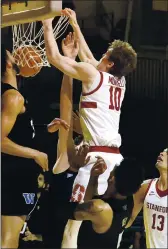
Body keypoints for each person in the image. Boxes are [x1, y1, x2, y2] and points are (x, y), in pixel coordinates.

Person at [1, 44, 69, 249]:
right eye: (11, 54)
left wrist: (44, 129)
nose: (17, 54)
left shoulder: (10, 95)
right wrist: (35, 154)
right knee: (8, 239)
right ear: (8, 64)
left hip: (12, 175)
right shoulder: (13, 97)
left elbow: (16, 132)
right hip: (13, 176)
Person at [54, 157, 144, 248]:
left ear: (113, 178)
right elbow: (89, 201)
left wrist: (74, 169)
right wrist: (94, 176)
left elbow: (61, 210)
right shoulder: (128, 202)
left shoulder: (99, 209)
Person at [126, 148, 168, 248]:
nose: (161, 153)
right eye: (162, 151)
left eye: (167, 153)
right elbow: (128, 220)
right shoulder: (145, 187)